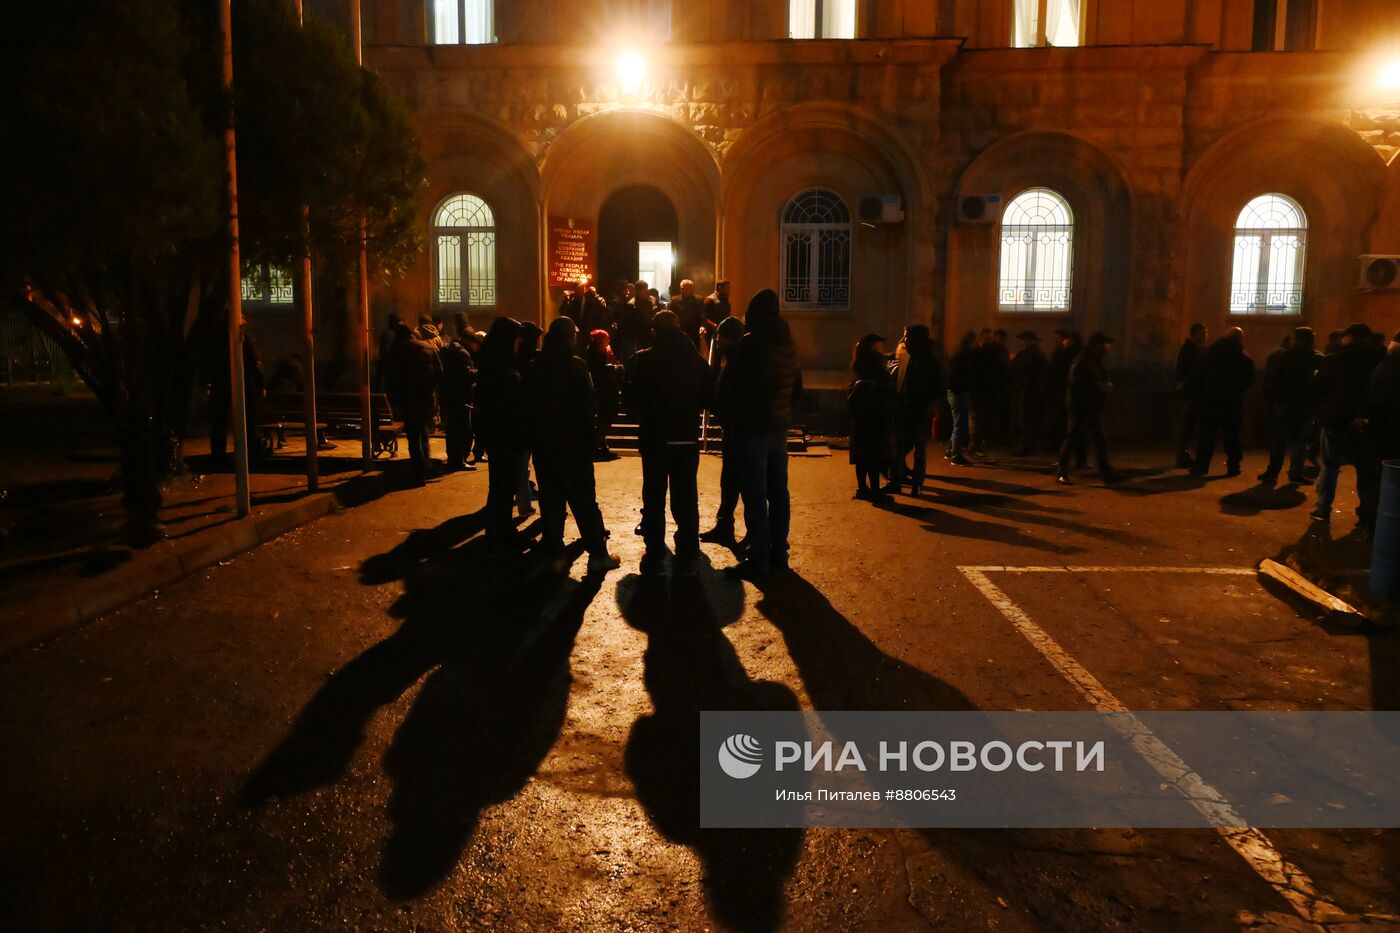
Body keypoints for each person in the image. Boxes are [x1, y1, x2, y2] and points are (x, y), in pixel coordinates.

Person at [523, 318, 620, 574]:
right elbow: (588, 407)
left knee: (552, 503)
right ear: (569, 338)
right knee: (585, 502)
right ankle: (598, 555)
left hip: (545, 447)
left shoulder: (535, 367)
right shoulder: (576, 366)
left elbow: (527, 408)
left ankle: (555, 556)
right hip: (573, 447)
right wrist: (590, 441)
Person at [624, 310, 715, 575]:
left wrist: (646, 416)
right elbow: (711, 398)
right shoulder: (696, 362)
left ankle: (654, 549)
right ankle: (687, 549)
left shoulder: (642, 360)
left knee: (653, 495)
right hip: (686, 439)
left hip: (654, 439)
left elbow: (629, 400)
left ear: (654, 331)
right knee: (686, 496)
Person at [721, 289, 803, 577]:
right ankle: (779, 552)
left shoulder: (751, 343)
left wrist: (731, 423)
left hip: (752, 429)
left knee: (754, 493)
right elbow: (796, 389)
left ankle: (758, 557)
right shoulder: (788, 344)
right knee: (778, 492)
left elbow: (735, 389)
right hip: (778, 428)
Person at [1310, 323, 1386, 530]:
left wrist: (1321, 412)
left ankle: (1323, 508)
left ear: (1349, 337)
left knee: (1330, 466)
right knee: (1366, 470)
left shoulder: (1334, 359)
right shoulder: (1378, 358)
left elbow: (1317, 388)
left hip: (1335, 419)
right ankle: (1366, 514)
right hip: (1365, 422)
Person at [475, 317, 528, 550]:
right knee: (503, 484)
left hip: (499, 432)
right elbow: (504, 401)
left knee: (502, 483)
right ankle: (500, 531)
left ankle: (500, 529)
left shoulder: (494, 360)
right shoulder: (498, 366)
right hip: (504, 432)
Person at [700, 315, 748, 544]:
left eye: (719, 336)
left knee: (740, 482)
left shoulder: (737, 361)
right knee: (730, 480)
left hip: (739, 430)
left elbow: (729, 394)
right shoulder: (733, 358)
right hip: (735, 428)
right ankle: (725, 524)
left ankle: (747, 532)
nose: (716, 341)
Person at [1188, 327, 1255, 478]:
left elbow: (1196, 374)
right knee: (1232, 435)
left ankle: (1202, 466)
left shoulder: (1210, 353)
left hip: (1210, 400)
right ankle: (1233, 466)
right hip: (1232, 402)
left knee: (1206, 435)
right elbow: (1250, 380)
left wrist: (1199, 392)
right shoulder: (1244, 358)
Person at [1258, 327, 1320, 486]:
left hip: (1284, 404)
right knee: (1300, 442)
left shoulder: (1284, 356)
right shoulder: (1317, 358)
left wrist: (1273, 399)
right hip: (1305, 406)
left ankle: (1272, 473)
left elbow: (1273, 379)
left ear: (1298, 339)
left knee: (1279, 441)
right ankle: (1296, 473)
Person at [1056, 331, 1118, 486]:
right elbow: (1076, 382)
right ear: (1098, 344)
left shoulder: (1094, 359)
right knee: (1072, 437)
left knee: (1099, 439)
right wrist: (1101, 386)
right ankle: (1061, 471)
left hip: (1090, 405)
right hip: (1080, 406)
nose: (1108, 347)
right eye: (1106, 344)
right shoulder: (1084, 359)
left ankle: (1106, 473)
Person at [387, 321, 443, 487]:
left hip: (409, 399)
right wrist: (431, 388)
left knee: (414, 436)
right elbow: (440, 372)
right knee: (423, 431)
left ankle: (419, 473)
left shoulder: (398, 350)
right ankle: (426, 465)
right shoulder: (428, 347)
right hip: (427, 398)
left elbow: (393, 376)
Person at [891, 324, 942, 495]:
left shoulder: (930, 360)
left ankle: (917, 484)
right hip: (903, 410)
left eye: (907, 336)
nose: (904, 339)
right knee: (899, 447)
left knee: (919, 449)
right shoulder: (906, 356)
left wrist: (930, 407)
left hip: (920, 411)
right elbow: (901, 382)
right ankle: (896, 481)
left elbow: (937, 387)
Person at [847, 333, 896, 501]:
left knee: (861, 455)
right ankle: (875, 490)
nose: (882, 347)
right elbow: (887, 386)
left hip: (860, 417)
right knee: (874, 454)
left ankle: (862, 488)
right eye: (879, 343)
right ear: (873, 345)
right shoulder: (875, 364)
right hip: (874, 416)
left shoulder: (859, 361)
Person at [439, 311, 478, 472]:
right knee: (461, 430)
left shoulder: (453, 350)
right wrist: (477, 373)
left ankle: (455, 458)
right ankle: (458, 461)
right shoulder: (462, 353)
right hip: (461, 397)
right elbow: (465, 375)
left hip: (451, 396)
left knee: (454, 430)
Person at [1045, 328, 1081, 468]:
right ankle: (1079, 459)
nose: (1058, 341)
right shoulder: (1078, 353)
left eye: (1060, 338)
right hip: (1069, 395)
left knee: (1063, 428)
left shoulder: (1063, 353)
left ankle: (1062, 462)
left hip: (1062, 394)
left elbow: (1054, 372)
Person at [586, 328, 621, 461]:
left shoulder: (603, 352)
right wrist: (614, 368)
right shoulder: (596, 354)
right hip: (602, 391)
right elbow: (599, 369)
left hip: (606, 390)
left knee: (605, 419)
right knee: (604, 419)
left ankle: (601, 445)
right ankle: (597, 445)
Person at [1010, 330, 1046, 456]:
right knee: (1028, 420)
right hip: (1030, 391)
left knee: (1026, 420)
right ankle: (1030, 446)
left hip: (1029, 391)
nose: (1022, 343)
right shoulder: (1034, 354)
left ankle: (1025, 447)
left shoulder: (1031, 355)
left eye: (1024, 340)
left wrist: (1014, 361)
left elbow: (1024, 371)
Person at [944, 331, 977, 467]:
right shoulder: (963, 356)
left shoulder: (960, 355)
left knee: (958, 423)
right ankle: (956, 455)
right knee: (960, 424)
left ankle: (950, 450)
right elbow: (955, 375)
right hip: (959, 392)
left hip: (956, 391)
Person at [672, 278, 706, 349]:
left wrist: (702, 325)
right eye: (682, 288)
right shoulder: (675, 300)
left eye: (687, 288)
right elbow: (671, 315)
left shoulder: (698, 299)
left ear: (691, 289)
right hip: (679, 331)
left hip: (694, 331)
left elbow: (702, 315)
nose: (684, 290)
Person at [375, 313, 402, 392]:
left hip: (389, 364)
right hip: (390, 365)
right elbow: (386, 351)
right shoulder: (389, 334)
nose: (401, 324)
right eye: (399, 322)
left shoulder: (390, 333)